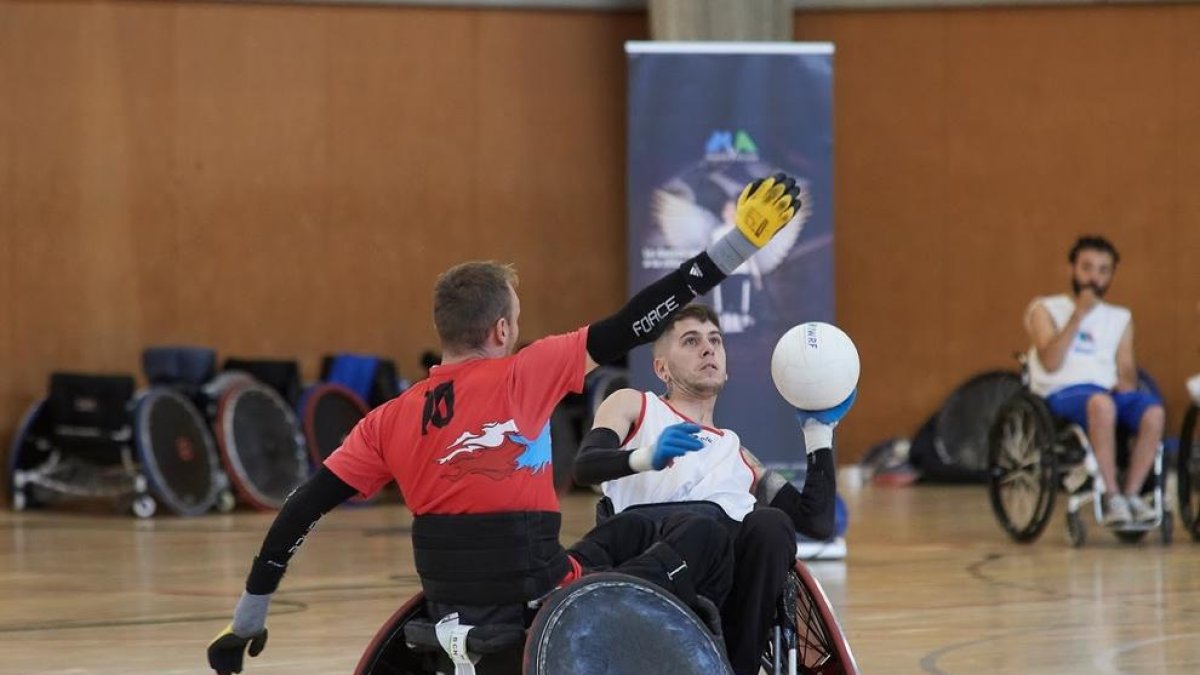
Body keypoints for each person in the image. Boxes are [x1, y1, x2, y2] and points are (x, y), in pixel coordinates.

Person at [206, 173, 805, 675]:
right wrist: (736, 247)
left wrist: (248, 618)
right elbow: (640, 319)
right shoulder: (526, 373)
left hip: (458, 607)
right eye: (515, 319)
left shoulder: (384, 421)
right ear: (500, 331)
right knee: (704, 534)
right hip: (543, 603)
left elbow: (299, 511)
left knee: (629, 534)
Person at [572, 304, 850, 675]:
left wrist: (819, 433)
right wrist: (646, 457)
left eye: (715, 341)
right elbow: (585, 465)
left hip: (720, 580)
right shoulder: (635, 406)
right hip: (652, 548)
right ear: (661, 369)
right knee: (702, 529)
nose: (708, 349)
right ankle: (600, 605)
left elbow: (815, 522)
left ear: (726, 366)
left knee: (769, 525)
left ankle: (738, 667)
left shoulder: (739, 453)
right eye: (691, 341)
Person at [1026, 235, 1164, 526]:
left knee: (1153, 411)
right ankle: (1111, 495)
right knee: (1101, 404)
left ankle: (1131, 495)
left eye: (1103, 271)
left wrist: (1123, 381)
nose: (1094, 278)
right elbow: (1050, 362)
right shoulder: (1045, 308)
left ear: (1111, 276)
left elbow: (1126, 375)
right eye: (1087, 268)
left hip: (1104, 392)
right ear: (1071, 270)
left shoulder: (1120, 317)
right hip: (1063, 392)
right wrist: (1078, 315)